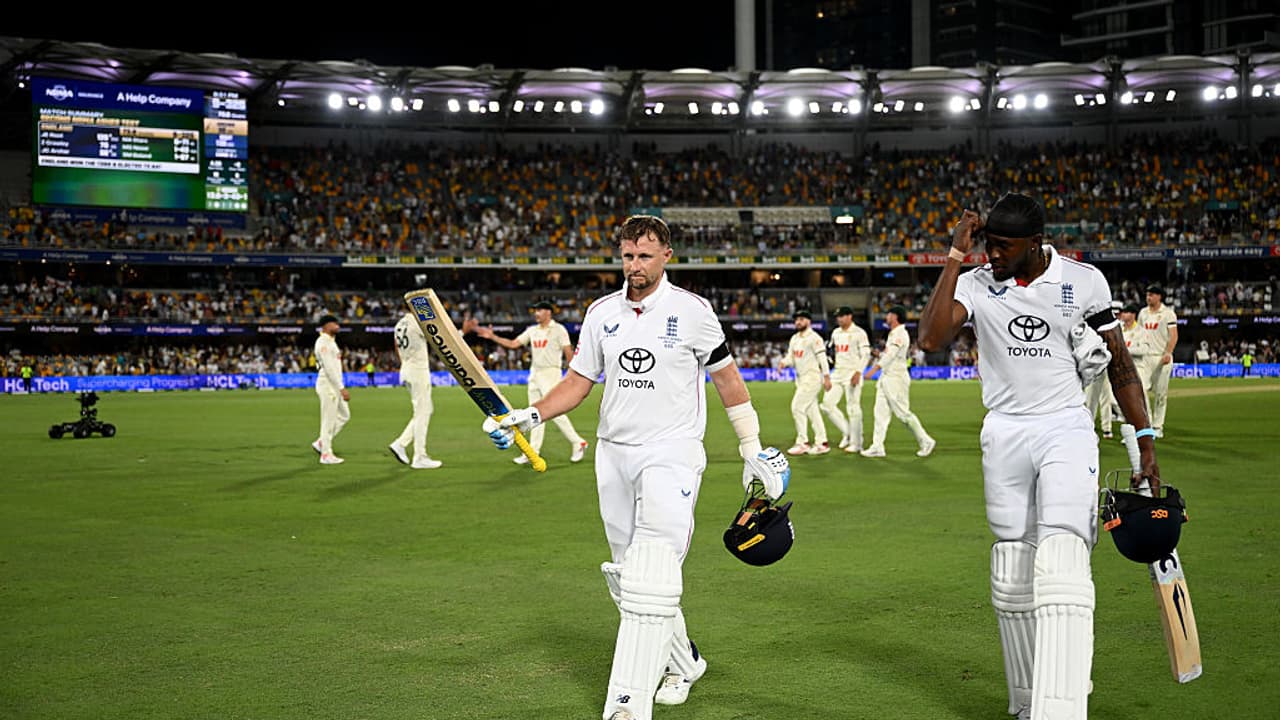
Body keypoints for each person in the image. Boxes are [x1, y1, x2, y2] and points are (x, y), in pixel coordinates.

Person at [479, 215, 790, 720]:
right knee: (629, 578)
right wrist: (529, 415)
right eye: (627, 256)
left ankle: (627, 704)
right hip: (613, 454)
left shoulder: (693, 311)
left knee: (652, 573)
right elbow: (578, 382)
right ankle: (685, 662)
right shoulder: (601, 312)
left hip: (672, 452)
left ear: (666, 255)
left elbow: (728, 381)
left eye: (644, 255)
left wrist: (751, 446)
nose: (634, 265)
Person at [918, 193, 1163, 720]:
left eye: (1003, 247)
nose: (993, 255)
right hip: (1003, 431)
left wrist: (1144, 440)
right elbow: (931, 338)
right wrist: (955, 256)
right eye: (988, 245)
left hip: (1063, 428)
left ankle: (1063, 709)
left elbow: (1119, 364)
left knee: (1062, 562)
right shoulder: (975, 282)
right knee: (1011, 568)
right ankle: (1029, 700)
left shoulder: (1084, 281)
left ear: (1035, 243)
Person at [476, 300, 590, 464]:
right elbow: (514, 344)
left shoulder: (558, 329)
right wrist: (493, 336)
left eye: (539, 310)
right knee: (533, 413)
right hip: (535, 374)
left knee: (554, 411)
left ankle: (577, 442)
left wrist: (573, 374)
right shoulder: (532, 330)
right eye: (535, 310)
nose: (536, 313)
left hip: (551, 372)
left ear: (548, 312)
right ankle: (533, 451)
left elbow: (568, 351)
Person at [860, 305, 935, 458]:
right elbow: (889, 354)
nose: (886, 316)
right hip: (886, 378)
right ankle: (877, 447)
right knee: (880, 414)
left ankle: (926, 441)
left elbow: (891, 356)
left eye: (889, 314)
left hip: (896, 379)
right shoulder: (893, 334)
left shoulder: (900, 334)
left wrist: (873, 370)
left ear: (895, 317)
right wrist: (878, 356)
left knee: (903, 413)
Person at [388, 312, 443, 469]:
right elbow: (437, 340)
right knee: (422, 413)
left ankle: (400, 443)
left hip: (406, 368)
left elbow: (396, 346)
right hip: (418, 371)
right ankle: (420, 456)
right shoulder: (417, 323)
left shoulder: (399, 324)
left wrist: (406, 361)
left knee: (425, 410)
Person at [779, 309, 832, 455]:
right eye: (796, 320)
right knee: (812, 411)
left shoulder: (814, 338)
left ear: (809, 321)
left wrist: (827, 377)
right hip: (801, 379)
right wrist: (783, 363)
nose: (798, 322)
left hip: (812, 378)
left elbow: (822, 358)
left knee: (797, 407)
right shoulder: (795, 339)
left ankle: (803, 443)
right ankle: (822, 442)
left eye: (801, 319)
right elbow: (791, 358)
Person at [820, 306, 872, 452]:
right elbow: (831, 351)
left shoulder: (859, 333)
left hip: (852, 373)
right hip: (838, 373)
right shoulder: (836, 333)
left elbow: (866, 354)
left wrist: (858, 372)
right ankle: (848, 433)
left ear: (850, 316)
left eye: (842, 316)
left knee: (853, 408)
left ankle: (857, 443)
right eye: (838, 316)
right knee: (827, 405)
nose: (839, 319)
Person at [1135, 285, 1178, 438]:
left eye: (1152, 295)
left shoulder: (1168, 313)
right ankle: (1147, 423)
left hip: (1162, 357)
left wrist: (1168, 352)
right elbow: (1138, 333)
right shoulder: (1143, 313)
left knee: (1160, 394)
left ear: (1159, 296)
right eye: (1147, 294)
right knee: (1140, 391)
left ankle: (1158, 426)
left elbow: (1174, 335)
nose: (1148, 297)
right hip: (1145, 357)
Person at [310, 314, 349, 465]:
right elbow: (329, 368)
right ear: (326, 326)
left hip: (333, 384)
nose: (337, 325)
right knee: (328, 420)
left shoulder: (331, 341)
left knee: (344, 415)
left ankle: (321, 442)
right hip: (328, 384)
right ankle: (326, 454)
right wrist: (341, 388)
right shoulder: (323, 342)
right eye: (334, 323)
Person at [1084, 301, 1122, 439]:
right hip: (1095, 366)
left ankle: (1107, 428)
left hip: (1107, 366)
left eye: (1118, 313)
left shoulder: (1117, 326)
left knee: (1105, 399)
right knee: (1092, 398)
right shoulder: (1097, 324)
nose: (1116, 315)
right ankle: (1090, 426)